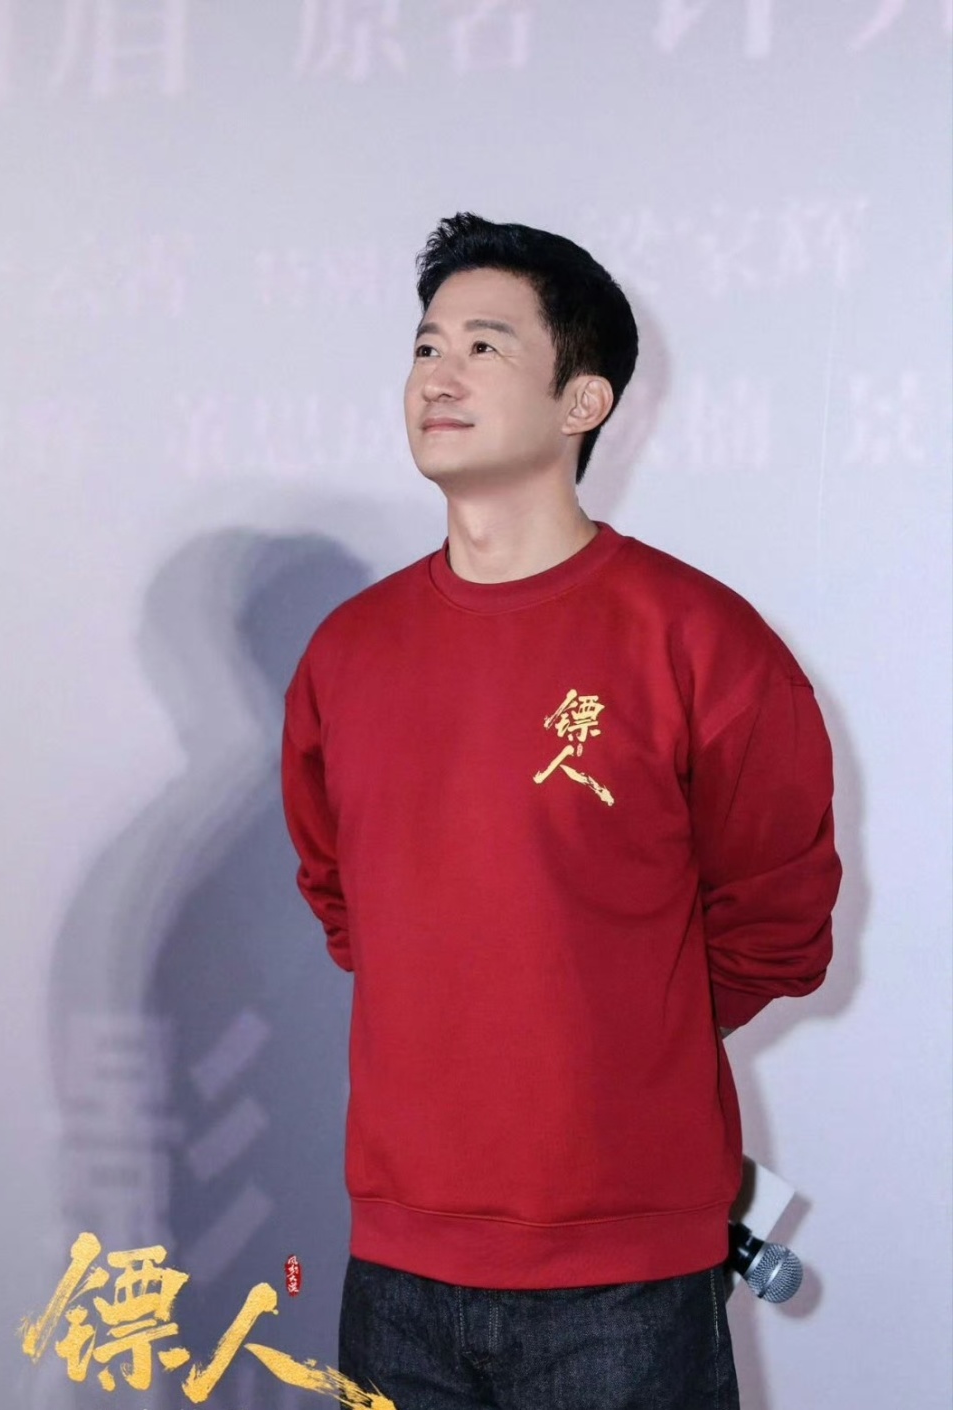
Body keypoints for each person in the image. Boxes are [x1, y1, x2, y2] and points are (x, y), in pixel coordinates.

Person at [281, 212, 842, 1409]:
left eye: (484, 347)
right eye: (426, 347)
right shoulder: (348, 652)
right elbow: (341, 897)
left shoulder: (699, 641)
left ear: (584, 400)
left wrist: (615, 1024)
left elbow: (779, 927)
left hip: (625, 1277)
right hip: (397, 1262)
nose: (438, 376)